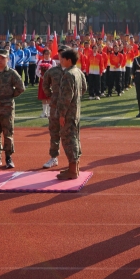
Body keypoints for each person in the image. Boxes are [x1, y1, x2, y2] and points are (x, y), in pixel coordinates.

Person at [55, 48, 87, 180]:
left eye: (62, 59)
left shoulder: (68, 74)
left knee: (68, 139)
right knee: (74, 137)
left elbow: (66, 97)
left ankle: (73, 170)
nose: (60, 61)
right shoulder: (78, 71)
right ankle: (74, 167)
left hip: (68, 112)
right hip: (76, 110)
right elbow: (84, 88)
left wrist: (62, 114)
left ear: (68, 60)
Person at [40, 46, 68, 168]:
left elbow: (83, 87)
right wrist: (51, 96)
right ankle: (53, 158)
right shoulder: (52, 71)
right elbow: (45, 84)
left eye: (64, 54)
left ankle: (72, 160)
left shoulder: (73, 71)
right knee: (54, 132)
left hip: (69, 108)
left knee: (70, 134)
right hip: (55, 106)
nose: (62, 57)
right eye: (60, 54)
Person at [36, 48, 55, 119]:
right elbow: (37, 71)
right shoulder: (41, 61)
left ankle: (50, 112)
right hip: (42, 80)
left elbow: (54, 71)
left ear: (50, 54)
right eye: (45, 54)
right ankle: (44, 112)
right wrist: (41, 76)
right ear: (43, 55)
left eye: (48, 54)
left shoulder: (53, 62)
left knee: (49, 96)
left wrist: (50, 78)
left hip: (50, 81)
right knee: (43, 97)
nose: (46, 55)